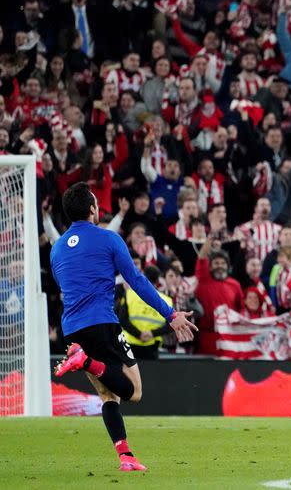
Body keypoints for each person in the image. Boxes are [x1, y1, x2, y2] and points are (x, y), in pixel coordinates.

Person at [50, 182, 196, 472]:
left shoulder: (56, 250)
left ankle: (126, 457)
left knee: (108, 395)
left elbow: (63, 285)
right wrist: (170, 315)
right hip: (102, 322)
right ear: (92, 209)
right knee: (134, 391)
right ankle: (86, 361)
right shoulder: (109, 239)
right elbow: (138, 281)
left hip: (73, 329)